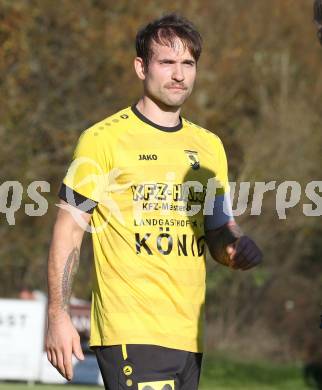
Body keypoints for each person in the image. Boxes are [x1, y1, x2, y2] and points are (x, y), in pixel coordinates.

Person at [46, 13, 262, 390]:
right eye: (167, 62)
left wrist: (236, 247)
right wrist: (58, 316)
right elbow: (68, 231)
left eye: (188, 64)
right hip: (131, 329)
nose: (179, 74)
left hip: (189, 334)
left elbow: (218, 233)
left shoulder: (210, 147)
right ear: (141, 67)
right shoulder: (103, 140)